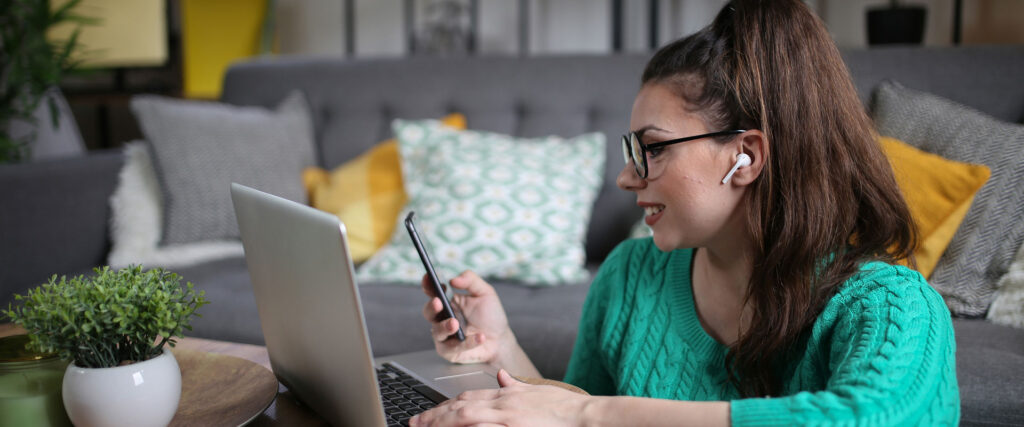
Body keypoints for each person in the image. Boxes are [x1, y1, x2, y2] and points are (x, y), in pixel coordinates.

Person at [410, 0, 960, 425]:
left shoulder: (893, 306)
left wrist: (587, 415)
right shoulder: (629, 274)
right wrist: (500, 348)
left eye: (653, 149)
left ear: (745, 156)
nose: (627, 177)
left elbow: (867, 417)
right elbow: (582, 413)